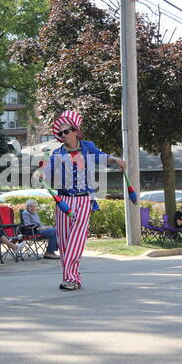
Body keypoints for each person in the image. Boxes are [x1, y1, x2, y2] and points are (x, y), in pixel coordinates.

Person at [41, 110, 126, 291]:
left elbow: (101, 157)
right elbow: (47, 177)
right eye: (61, 133)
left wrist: (115, 160)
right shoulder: (56, 154)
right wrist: (42, 170)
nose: (63, 135)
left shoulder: (87, 148)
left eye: (67, 131)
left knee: (76, 240)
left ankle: (71, 279)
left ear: (76, 131)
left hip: (83, 200)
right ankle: (73, 279)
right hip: (63, 200)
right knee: (64, 243)